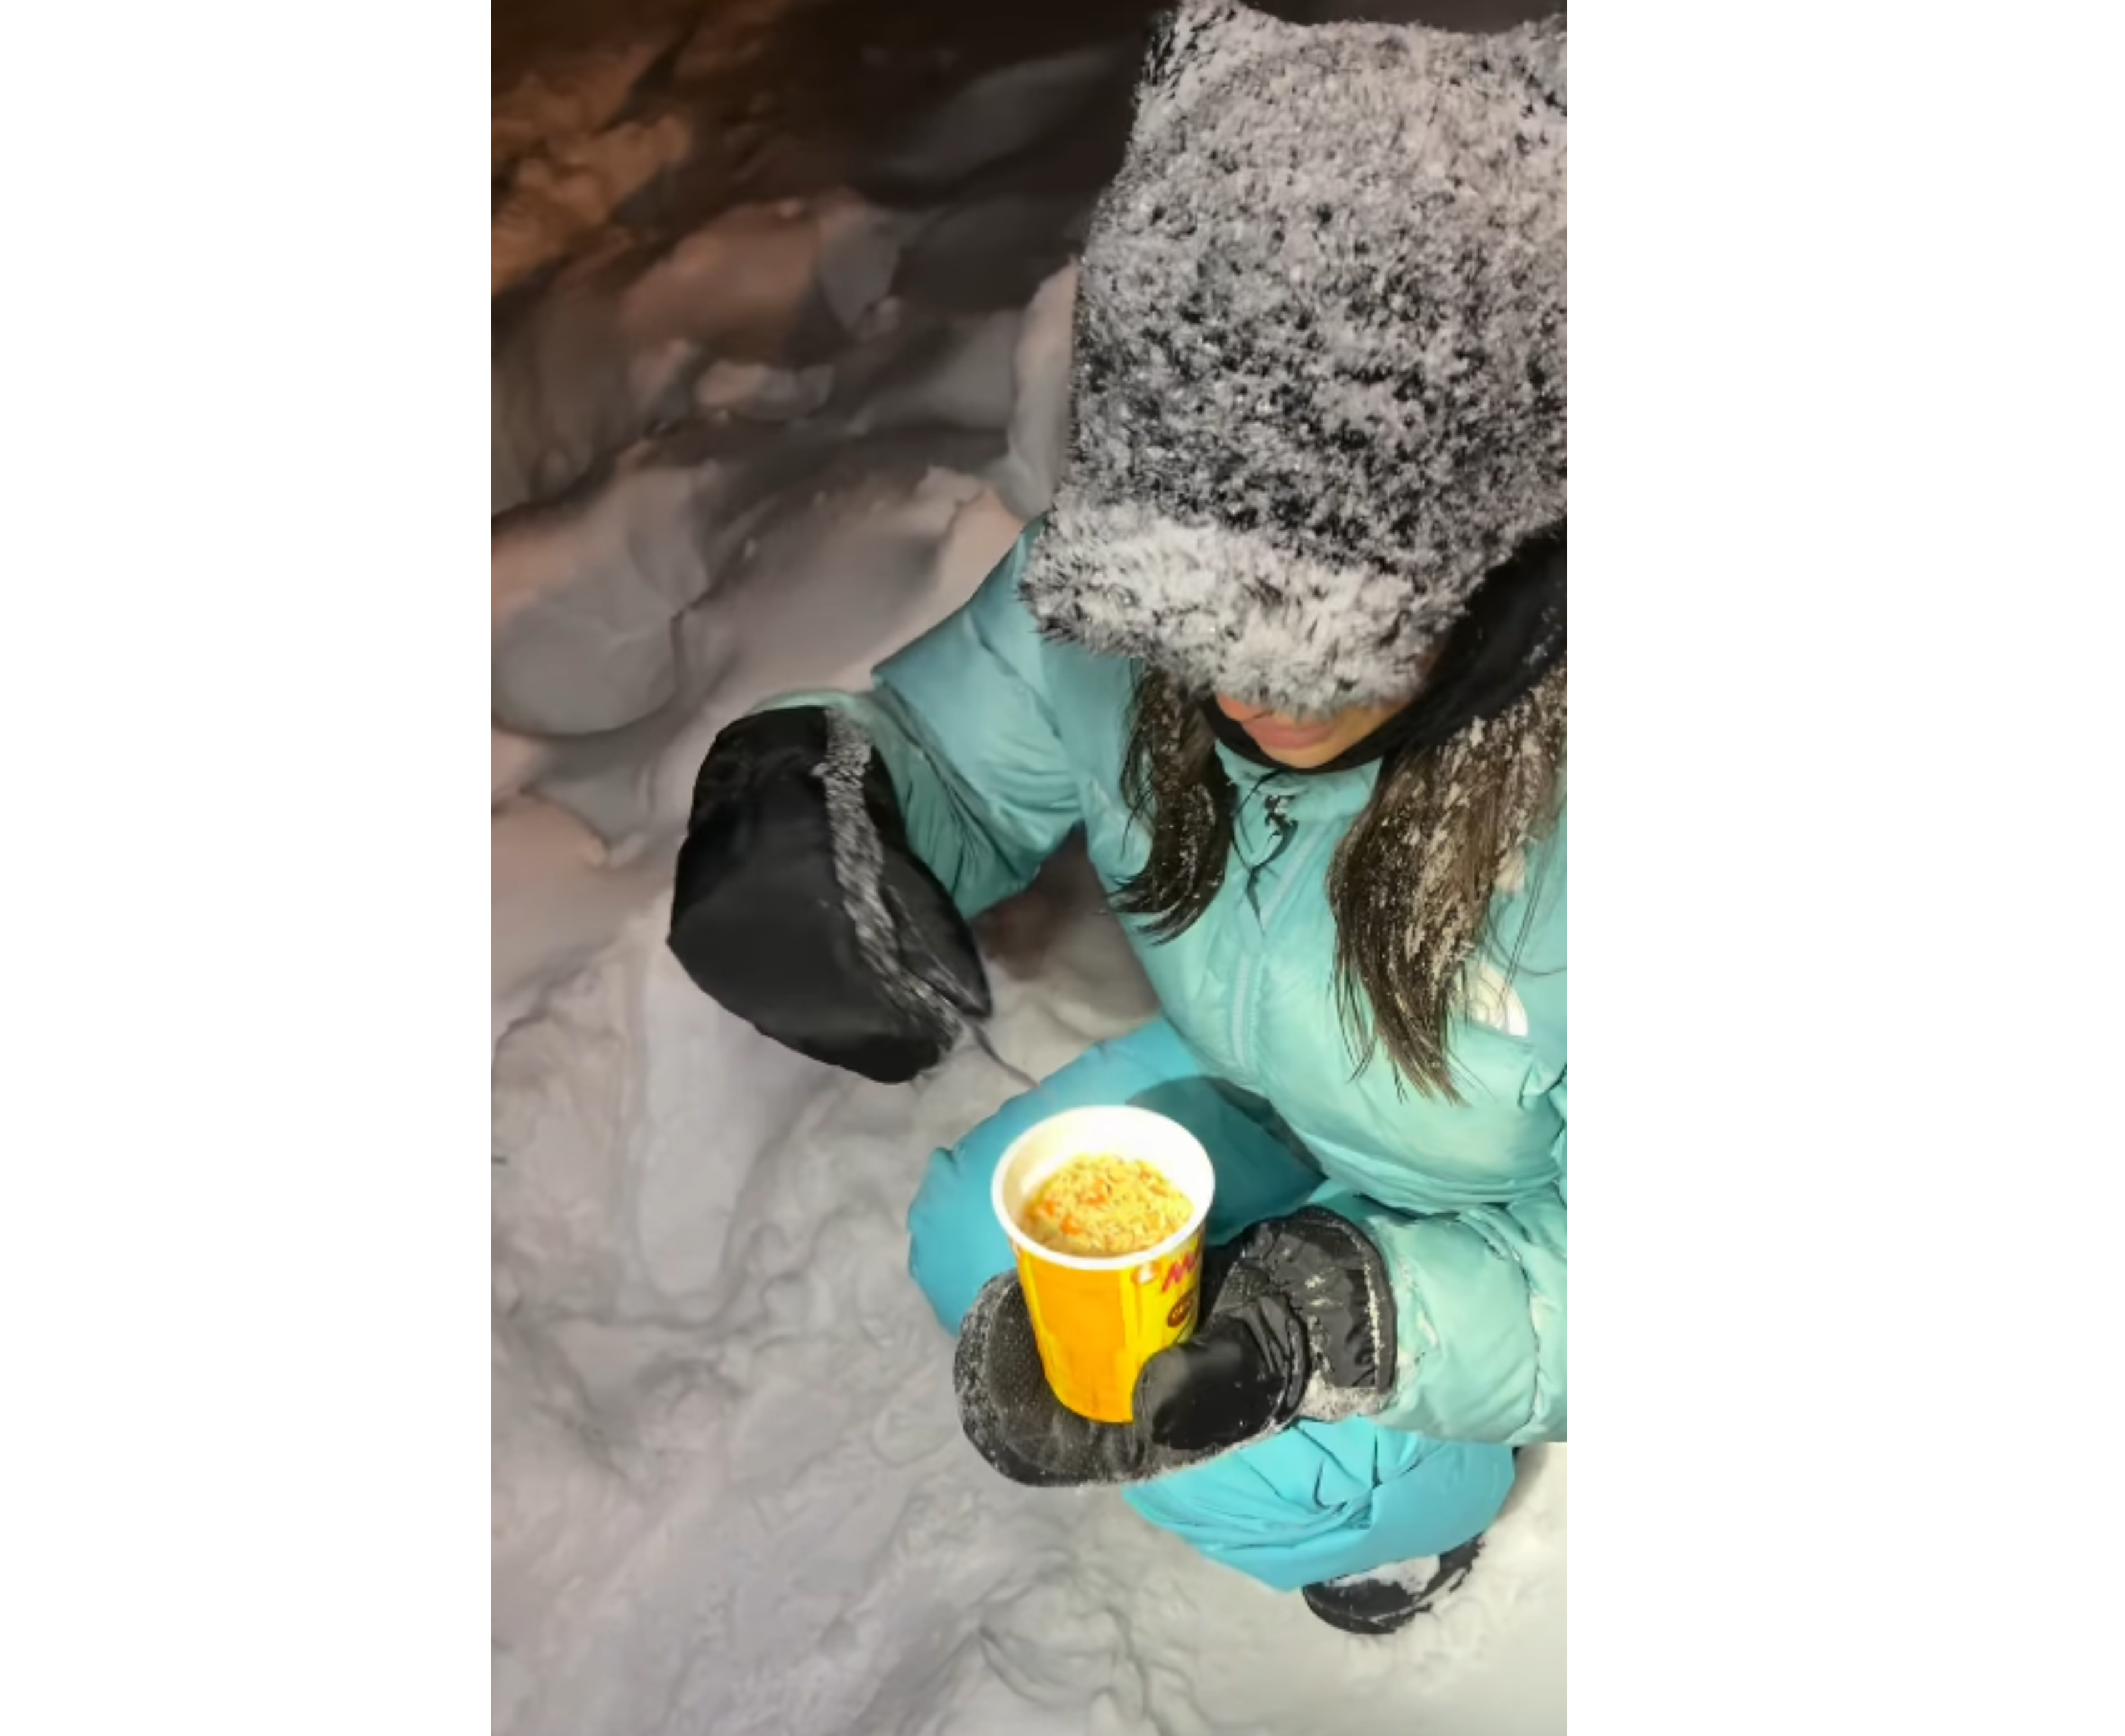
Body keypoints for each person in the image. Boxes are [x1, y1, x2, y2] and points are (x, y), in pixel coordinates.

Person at [669, 1, 1566, 1636]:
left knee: (1264, 1457)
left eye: (1326, 642)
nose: (1242, 698)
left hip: (1489, 1225)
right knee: (973, 1237)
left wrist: (1359, 1318)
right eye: (1192, 622)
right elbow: (960, 739)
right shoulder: (1133, 602)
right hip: (1267, 1076)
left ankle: (1403, 1524)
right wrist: (827, 812)